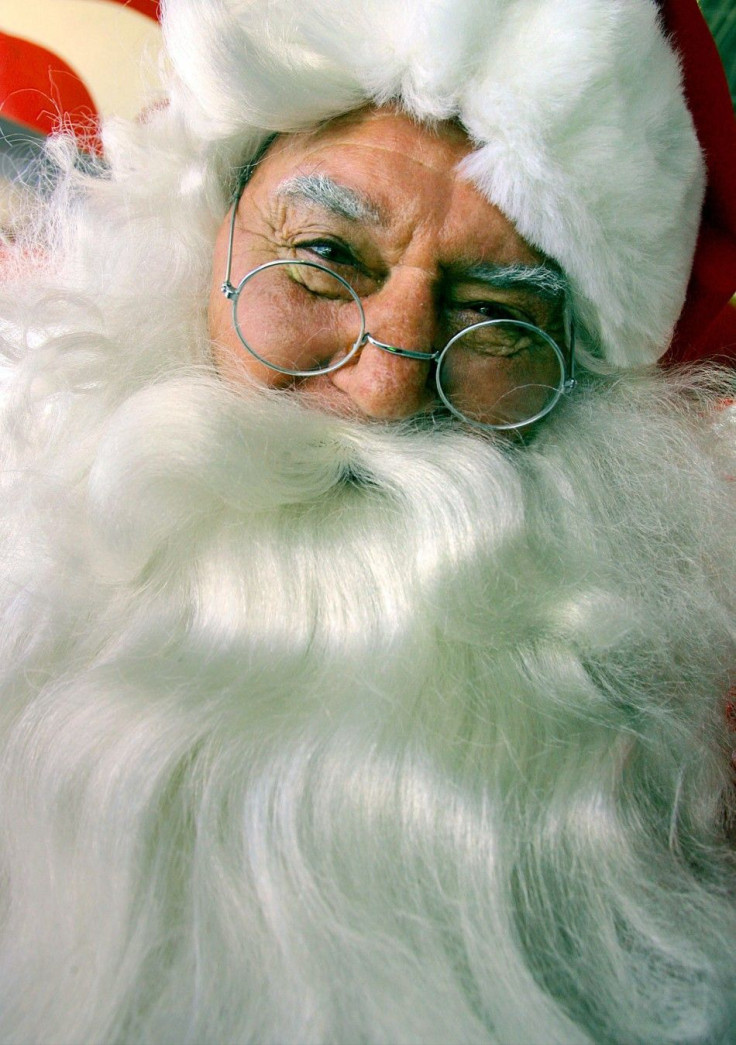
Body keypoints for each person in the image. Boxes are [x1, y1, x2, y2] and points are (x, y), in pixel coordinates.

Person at [0, 0, 735, 1042]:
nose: (388, 386)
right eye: (322, 259)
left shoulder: (676, 764)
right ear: (200, 247)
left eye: (493, 317)